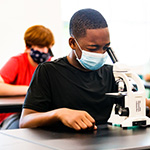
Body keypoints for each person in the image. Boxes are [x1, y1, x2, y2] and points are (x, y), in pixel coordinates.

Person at [19, 8, 150, 131]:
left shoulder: (112, 73)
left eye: (105, 48)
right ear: (72, 43)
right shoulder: (48, 72)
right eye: (93, 48)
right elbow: (25, 121)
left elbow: (141, 102)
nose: (100, 53)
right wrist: (59, 113)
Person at [0, 25, 55, 129]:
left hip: (36, 115)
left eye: (48, 47)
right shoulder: (17, 61)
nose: (45, 51)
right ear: (28, 47)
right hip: (13, 116)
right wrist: (29, 89)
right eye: (40, 47)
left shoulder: (48, 66)